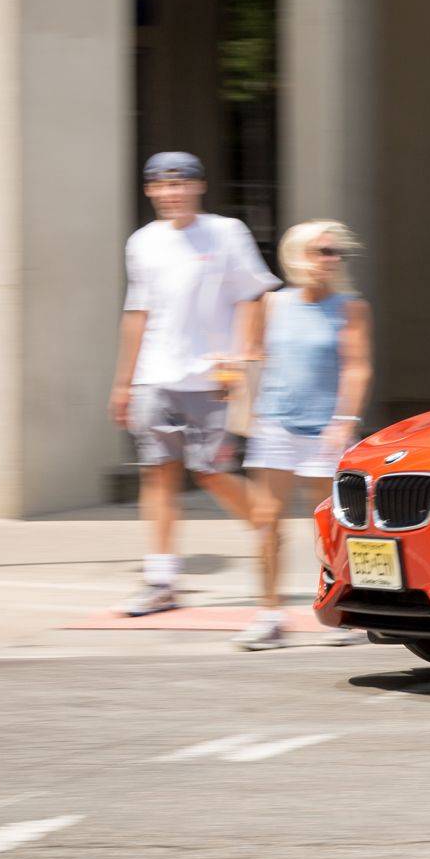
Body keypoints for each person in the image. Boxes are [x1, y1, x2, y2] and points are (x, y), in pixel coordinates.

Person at [112, 152, 280, 615]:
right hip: (154, 378)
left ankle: (271, 536)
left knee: (212, 474)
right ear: (149, 191)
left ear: (198, 186)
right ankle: (161, 581)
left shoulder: (226, 232)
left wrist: (243, 355)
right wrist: (123, 383)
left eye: (180, 184)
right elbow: (137, 314)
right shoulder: (142, 242)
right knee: (158, 476)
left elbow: (253, 294)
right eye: (162, 186)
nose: (172, 194)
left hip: (211, 380)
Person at [233, 220, 374, 651]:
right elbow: (251, 357)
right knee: (267, 522)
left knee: (333, 526)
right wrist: (232, 371)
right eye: (320, 251)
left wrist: (344, 420)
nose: (328, 261)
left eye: (334, 253)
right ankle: (270, 614)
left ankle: (343, 610)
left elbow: (357, 366)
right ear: (298, 256)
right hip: (274, 422)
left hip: (324, 431)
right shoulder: (273, 304)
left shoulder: (351, 308)